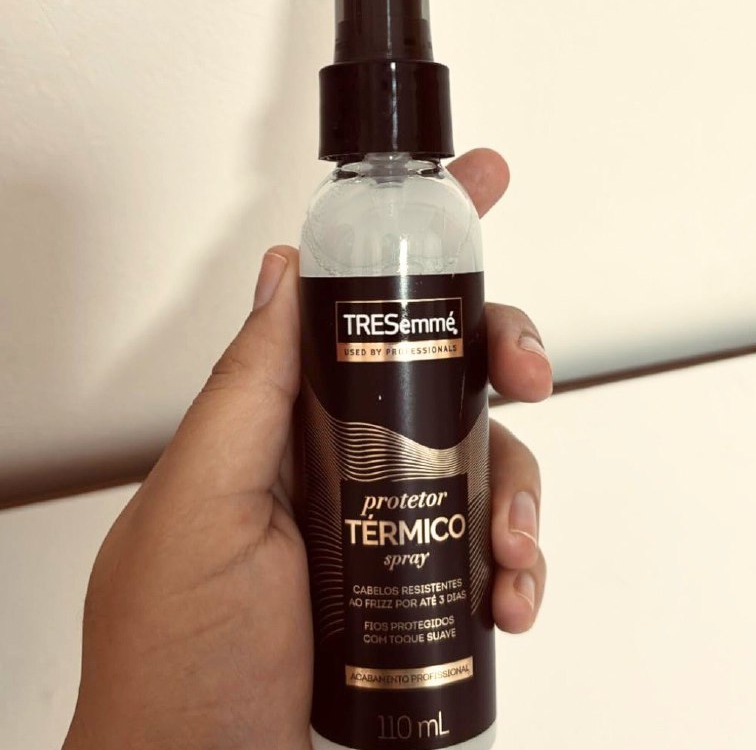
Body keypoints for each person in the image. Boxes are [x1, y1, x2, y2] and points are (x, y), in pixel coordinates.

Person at [62, 149, 551, 750]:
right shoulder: (334, 214)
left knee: (465, 471)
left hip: (456, 704)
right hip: (335, 709)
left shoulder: (444, 210)